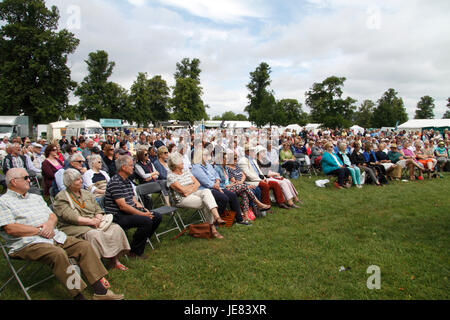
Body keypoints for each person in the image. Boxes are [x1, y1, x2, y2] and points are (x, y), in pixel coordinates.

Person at [0, 168, 124, 300]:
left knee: (84, 246)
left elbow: (52, 216)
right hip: (27, 243)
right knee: (58, 254)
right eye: (26, 178)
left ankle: (101, 292)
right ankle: (78, 296)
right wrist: (39, 231)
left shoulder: (35, 197)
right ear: (13, 181)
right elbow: (10, 228)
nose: (29, 180)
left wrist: (49, 225)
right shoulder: (4, 202)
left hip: (54, 235)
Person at [53, 169, 130, 271]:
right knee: (94, 235)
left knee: (115, 228)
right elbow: (71, 217)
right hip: (75, 226)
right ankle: (96, 266)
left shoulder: (86, 193)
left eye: (80, 178)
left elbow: (97, 207)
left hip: (94, 221)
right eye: (77, 180)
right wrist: (91, 222)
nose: (81, 181)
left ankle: (114, 260)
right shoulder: (62, 197)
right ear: (69, 183)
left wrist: (98, 216)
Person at [104, 155, 162, 259]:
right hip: (117, 215)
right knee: (146, 220)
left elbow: (133, 200)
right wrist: (143, 214)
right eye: (131, 165)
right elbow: (122, 206)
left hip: (127, 211)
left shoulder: (126, 180)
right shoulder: (115, 182)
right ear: (123, 167)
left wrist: (144, 209)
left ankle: (141, 240)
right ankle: (135, 252)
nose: (133, 168)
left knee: (156, 216)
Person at [167, 153, 224, 238]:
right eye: (180, 162)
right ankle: (213, 228)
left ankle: (217, 217)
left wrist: (188, 188)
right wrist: (190, 187)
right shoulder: (170, 176)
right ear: (175, 165)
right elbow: (182, 191)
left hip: (192, 193)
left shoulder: (186, 171)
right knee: (206, 201)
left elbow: (197, 183)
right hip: (181, 199)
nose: (183, 162)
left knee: (207, 191)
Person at [192, 149, 250, 226]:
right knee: (223, 198)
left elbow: (216, 175)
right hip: (207, 189)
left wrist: (217, 181)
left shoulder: (208, 165)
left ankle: (239, 219)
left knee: (232, 195)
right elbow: (205, 181)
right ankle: (216, 220)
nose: (208, 157)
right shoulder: (196, 167)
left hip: (216, 186)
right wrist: (216, 186)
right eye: (205, 155)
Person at [215, 152, 271, 222]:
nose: (227, 160)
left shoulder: (225, 168)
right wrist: (230, 185)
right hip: (224, 188)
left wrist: (232, 183)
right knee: (245, 186)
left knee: (244, 193)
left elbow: (234, 179)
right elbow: (219, 184)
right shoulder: (217, 168)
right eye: (226, 158)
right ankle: (258, 204)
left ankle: (246, 216)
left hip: (232, 186)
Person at [238, 144, 288, 209]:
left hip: (258, 179)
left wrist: (264, 178)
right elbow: (248, 174)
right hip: (251, 181)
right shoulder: (243, 161)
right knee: (265, 186)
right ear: (246, 152)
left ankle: (281, 202)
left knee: (275, 184)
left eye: (253, 150)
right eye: (252, 150)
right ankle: (266, 205)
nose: (253, 152)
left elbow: (259, 171)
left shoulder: (253, 160)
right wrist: (259, 180)